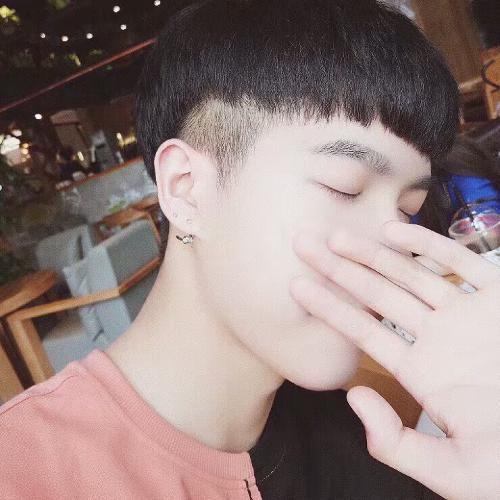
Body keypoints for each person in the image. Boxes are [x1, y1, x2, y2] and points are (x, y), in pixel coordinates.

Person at [4, 1, 498, 498]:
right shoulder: (25, 472)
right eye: (344, 187)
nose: (392, 254)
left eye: (408, 209)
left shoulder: (374, 438)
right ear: (185, 189)